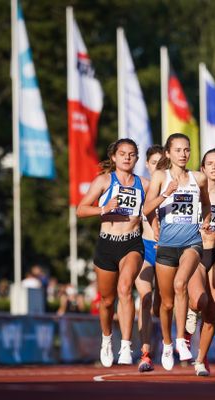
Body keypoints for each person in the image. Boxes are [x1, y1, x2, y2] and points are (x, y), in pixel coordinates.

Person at [76, 138, 148, 368]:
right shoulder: (104, 181)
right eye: (123, 153)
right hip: (107, 244)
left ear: (137, 158)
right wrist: (103, 208)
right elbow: (80, 209)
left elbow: (153, 212)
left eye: (132, 154)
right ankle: (107, 339)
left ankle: (126, 345)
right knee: (107, 301)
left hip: (132, 244)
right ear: (114, 158)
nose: (127, 157)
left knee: (125, 288)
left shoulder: (144, 185)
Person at [143, 133, 211, 371]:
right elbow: (146, 209)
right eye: (179, 150)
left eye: (187, 149)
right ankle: (168, 343)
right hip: (166, 246)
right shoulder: (161, 177)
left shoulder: (198, 178)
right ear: (168, 153)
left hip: (192, 243)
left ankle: (182, 339)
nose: (183, 154)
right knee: (166, 304)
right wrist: (165, 194)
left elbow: (206, 204)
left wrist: (206, 220)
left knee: (181, 284)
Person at [183, 149, 215, 376]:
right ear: (202, 168)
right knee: (198, 300)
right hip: (196, 251)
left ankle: (200, 360)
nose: (214, 167)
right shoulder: (192, 190)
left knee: (211, 313)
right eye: (209, 163)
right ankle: (190, 314)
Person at [135, 144, 163, 372]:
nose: (158, 167)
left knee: (163, 304)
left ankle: (172, 343)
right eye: (154, 163)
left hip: (168, 251)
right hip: (144, 248)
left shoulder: (176, 187)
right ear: (147, 164)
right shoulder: (140, 187)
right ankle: (145, 354)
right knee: (145, 298)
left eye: (163, 163)